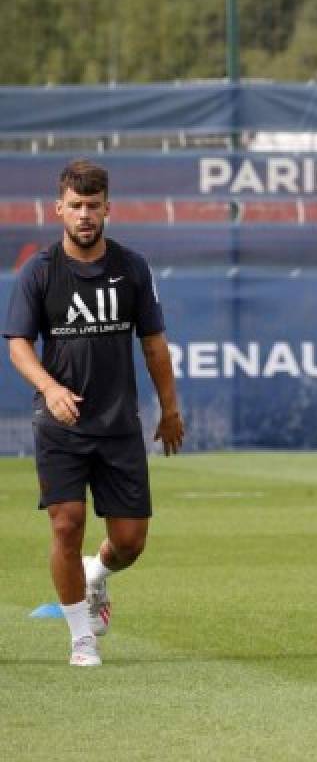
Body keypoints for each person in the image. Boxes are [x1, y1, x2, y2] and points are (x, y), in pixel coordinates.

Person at [5, 159, 184, 666]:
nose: (85, 214)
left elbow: (154, 345)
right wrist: (49, 387)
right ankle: (81, 636)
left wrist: (170, 410)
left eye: (93, 205)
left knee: (130, 542)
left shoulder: (132, 268)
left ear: (108, 208)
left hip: (118, 423)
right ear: (58, 208)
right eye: (76, 205)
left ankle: (97, 575)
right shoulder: (39, 271)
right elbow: (18, 344)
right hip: (59, 423)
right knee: (66, 523)